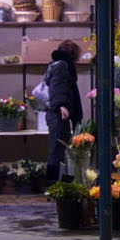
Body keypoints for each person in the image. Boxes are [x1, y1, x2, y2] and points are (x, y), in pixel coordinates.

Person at [42, 39, 84, 183]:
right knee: (57, 148)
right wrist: (62, 105)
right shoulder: (62, 66)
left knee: (59, 147)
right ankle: (52, 183)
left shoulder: (58, 64)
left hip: (55, 113)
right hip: (57, 113)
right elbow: (58, 86)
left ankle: (57, 182)